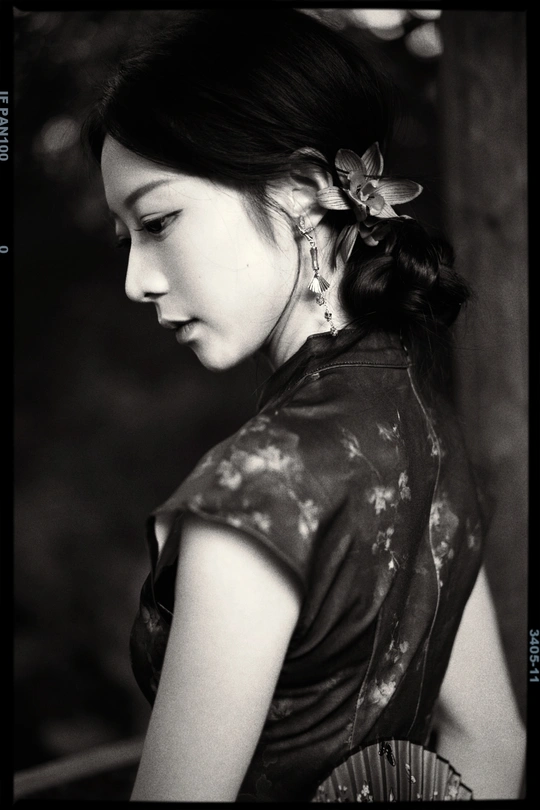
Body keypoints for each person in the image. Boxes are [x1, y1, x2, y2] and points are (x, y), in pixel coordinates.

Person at [82, 8, 525, 802]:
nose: (136, 281)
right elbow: (492, 741)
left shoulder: (254, 494)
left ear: (305, 190)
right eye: (127, 240)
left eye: (158, 221)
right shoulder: (427, 433)